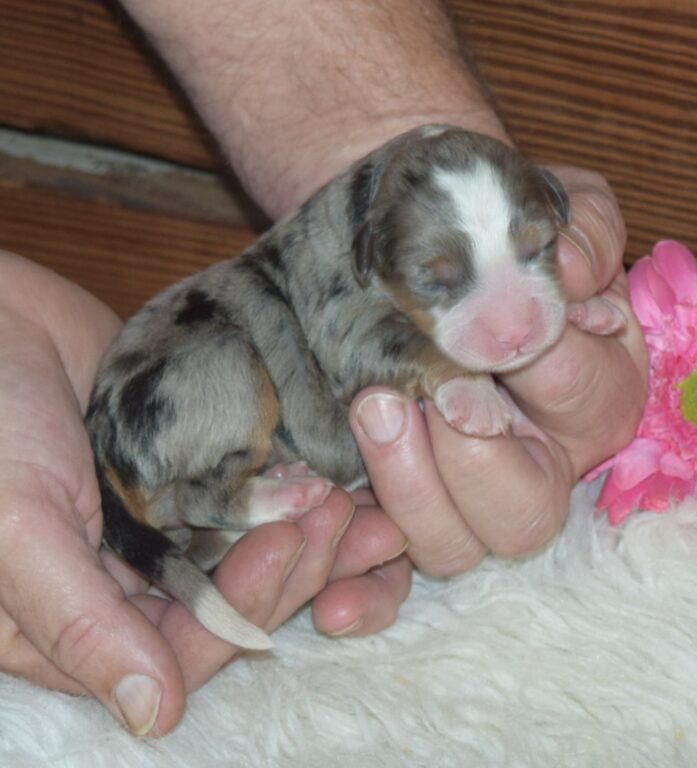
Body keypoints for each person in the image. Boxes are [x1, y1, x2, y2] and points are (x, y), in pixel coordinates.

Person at [0, 0, 647, 738]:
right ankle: (214, 503)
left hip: (216, 427)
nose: (513, 322)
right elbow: (363, 351)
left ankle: (201, 534)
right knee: (235, 374)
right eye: (440, 280)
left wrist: (568, 313)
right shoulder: (338, 280)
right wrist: (449, 373)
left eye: (536, 252)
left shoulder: (391, 234)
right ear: (370, 254)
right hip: (173, 388)